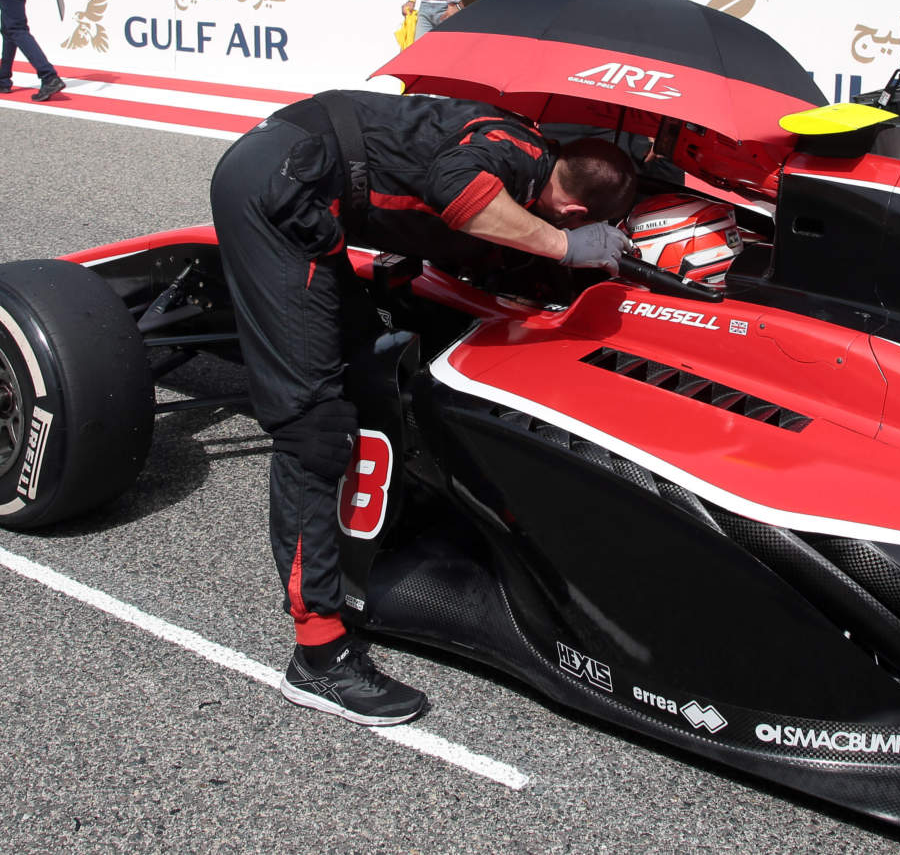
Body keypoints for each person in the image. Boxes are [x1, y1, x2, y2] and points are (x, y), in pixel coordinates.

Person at [208, 88, 638, 725]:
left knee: (364, 358)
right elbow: (461, 195)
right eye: (575, 224)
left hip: (312, 183)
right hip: (281, 189)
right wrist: (566, 248)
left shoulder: (532, 149)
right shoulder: (511, 156)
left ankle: (378, 529)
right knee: (314, 426)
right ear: (572, 208)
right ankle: (319, 656)